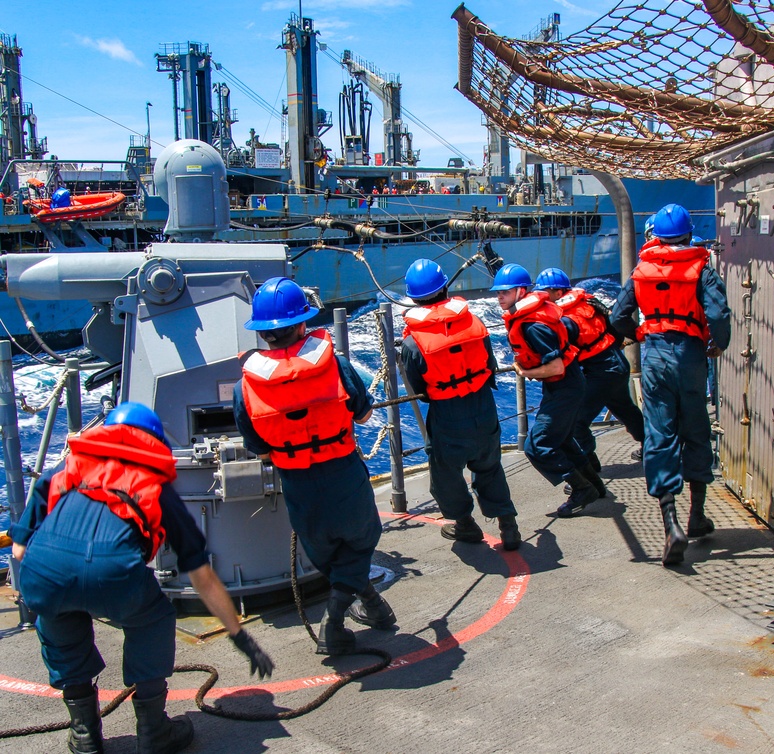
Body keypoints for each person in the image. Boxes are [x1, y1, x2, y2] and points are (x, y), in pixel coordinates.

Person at [11, 402, 273, 754]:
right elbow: (201, 576)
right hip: (114, 573)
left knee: (56, 618)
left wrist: (49, 590)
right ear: (153, 442)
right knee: (153, 618)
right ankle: (153, 732)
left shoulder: (65, 467)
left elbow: (19, 551)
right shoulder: (156, 486)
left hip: (44, 569)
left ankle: (85, 735)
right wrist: (239, 635)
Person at [233, 277, 395, 657]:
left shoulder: (246, 386)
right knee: (360, 540)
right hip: (342, 472)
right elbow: (366, 414)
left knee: (325, 549)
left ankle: (374, 606)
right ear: (302, 323)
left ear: (263, 332)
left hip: (298, 482)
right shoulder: (335, 364)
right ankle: (333, 624)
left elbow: (259, 448)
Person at [610, 204, 731, 567]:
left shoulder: (641, 270)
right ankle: (697, 515)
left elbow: (618, 316)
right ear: (688, 233)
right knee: (695, 429)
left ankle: (671, 524)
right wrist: (717, 344)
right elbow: (719, 315)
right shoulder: (702, 270)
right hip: (690, 356)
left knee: (660, 436)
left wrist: (641, 335)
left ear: (657, 235)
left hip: (655, 357)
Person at [399, 259, 521, 550]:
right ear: (445, 288)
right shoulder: (474, 322)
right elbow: (490, 365)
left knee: (445, 474)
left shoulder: (413, 342)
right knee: (489, 466)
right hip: (483, 405)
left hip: (447, 413)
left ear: (413, 297)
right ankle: (509, 526)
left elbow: (420, 391)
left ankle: (465, 525)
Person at [491, 263, 604, 517]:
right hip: (567, 385)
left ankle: (581, 488)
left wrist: (525, 372)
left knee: (538, 444)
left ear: (521, 292)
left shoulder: (533, 326)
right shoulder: (532, 317)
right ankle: (595, 486)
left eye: (505, 292)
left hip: (564, 386)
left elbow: (554, 366)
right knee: (562, 439)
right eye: (497, 292)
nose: (499, 296)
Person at [533, 267, 645, 475]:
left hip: (601, 372)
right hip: (616, 364)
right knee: (626, 409)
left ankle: (589, 468)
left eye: (544, 292)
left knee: (577, 422)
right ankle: (650, 447)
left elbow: (565, 350)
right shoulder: (588, 303)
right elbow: (613, 328)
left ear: (558, 293)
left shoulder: (566, 319)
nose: (540, 296)